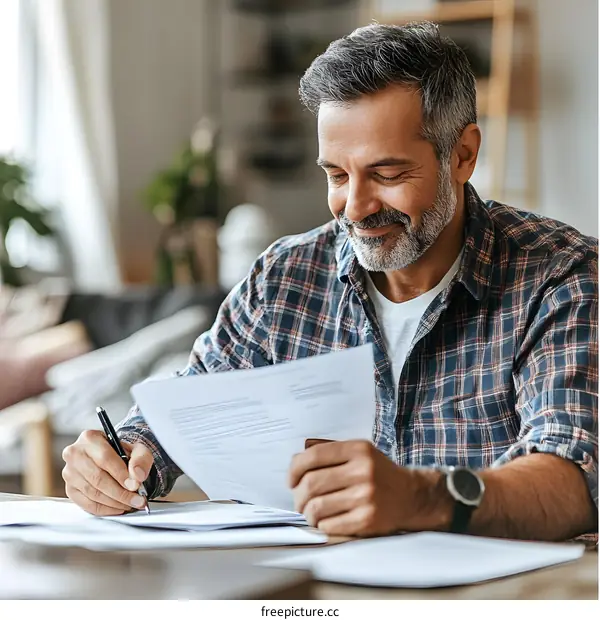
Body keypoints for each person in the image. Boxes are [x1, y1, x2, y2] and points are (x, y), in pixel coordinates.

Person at [62, 22, 598, 542]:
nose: (356, 208)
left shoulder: (558, 277)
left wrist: (420, 497)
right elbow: (188, 408)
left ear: (463, 154)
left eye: (387, 174)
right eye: (337, 176)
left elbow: (575, 480)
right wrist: (121, 459)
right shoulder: (283, 279)